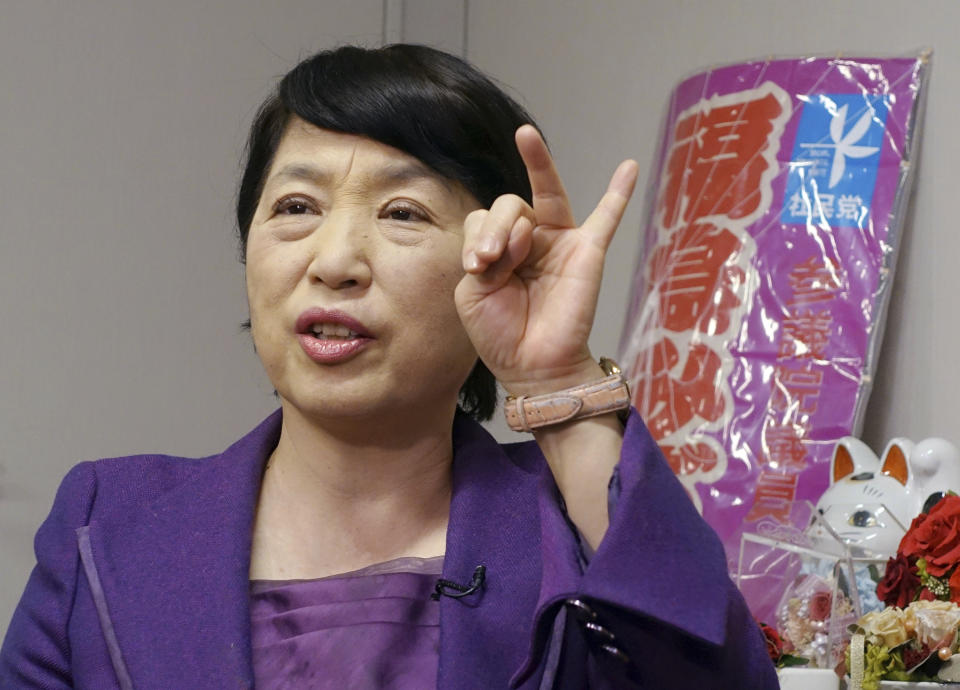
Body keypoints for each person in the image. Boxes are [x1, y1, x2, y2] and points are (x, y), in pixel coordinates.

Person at [0, 44, 778, 689]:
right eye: (295, 207)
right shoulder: (106, 526)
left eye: (403, 213)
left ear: (497, 264)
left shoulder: (575, 532)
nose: (334, 260)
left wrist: (556, 380)